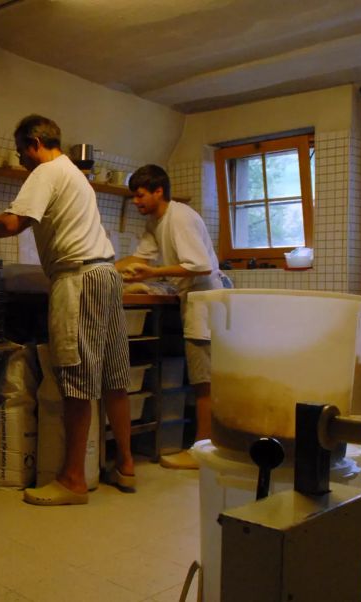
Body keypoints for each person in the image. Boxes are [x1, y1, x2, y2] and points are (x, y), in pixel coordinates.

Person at [0, 115, 135, 505]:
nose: (21, 160)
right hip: (107, 275)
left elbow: (15, 222)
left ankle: (72, 480)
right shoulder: (74, 174)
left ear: (34, 143)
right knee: (115, 375)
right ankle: (127, 467)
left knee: (76, 377)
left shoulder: (47, 170)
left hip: (79, 279)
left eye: (21, 152)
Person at [115, 164, 224, 469]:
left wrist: (155, 272)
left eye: (140, 195)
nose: (135, 202)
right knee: (201, 381)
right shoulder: (156, 223)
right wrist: (105, 271)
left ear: (158, 190)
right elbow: (140, 258)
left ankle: (203, 454)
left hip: (205, 303)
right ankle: (205, 448)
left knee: (204, 384)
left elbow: (201, 265)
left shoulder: (180, 218)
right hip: (192, 301)